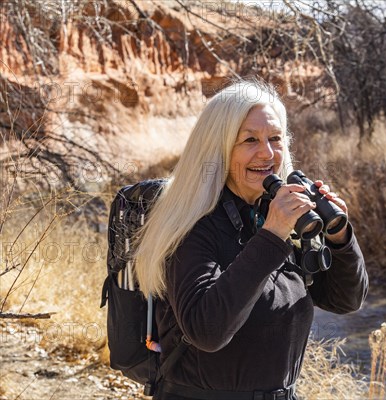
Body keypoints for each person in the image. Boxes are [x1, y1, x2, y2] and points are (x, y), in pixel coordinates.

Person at [134, 80, 368, 400]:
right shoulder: (192, 225)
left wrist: (339, 236)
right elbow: (207, 330)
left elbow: (345, 300)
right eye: (249, 140)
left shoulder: (270, 213)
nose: (267, 153)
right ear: (218, 149)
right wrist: (272, 235)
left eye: (275, 138)